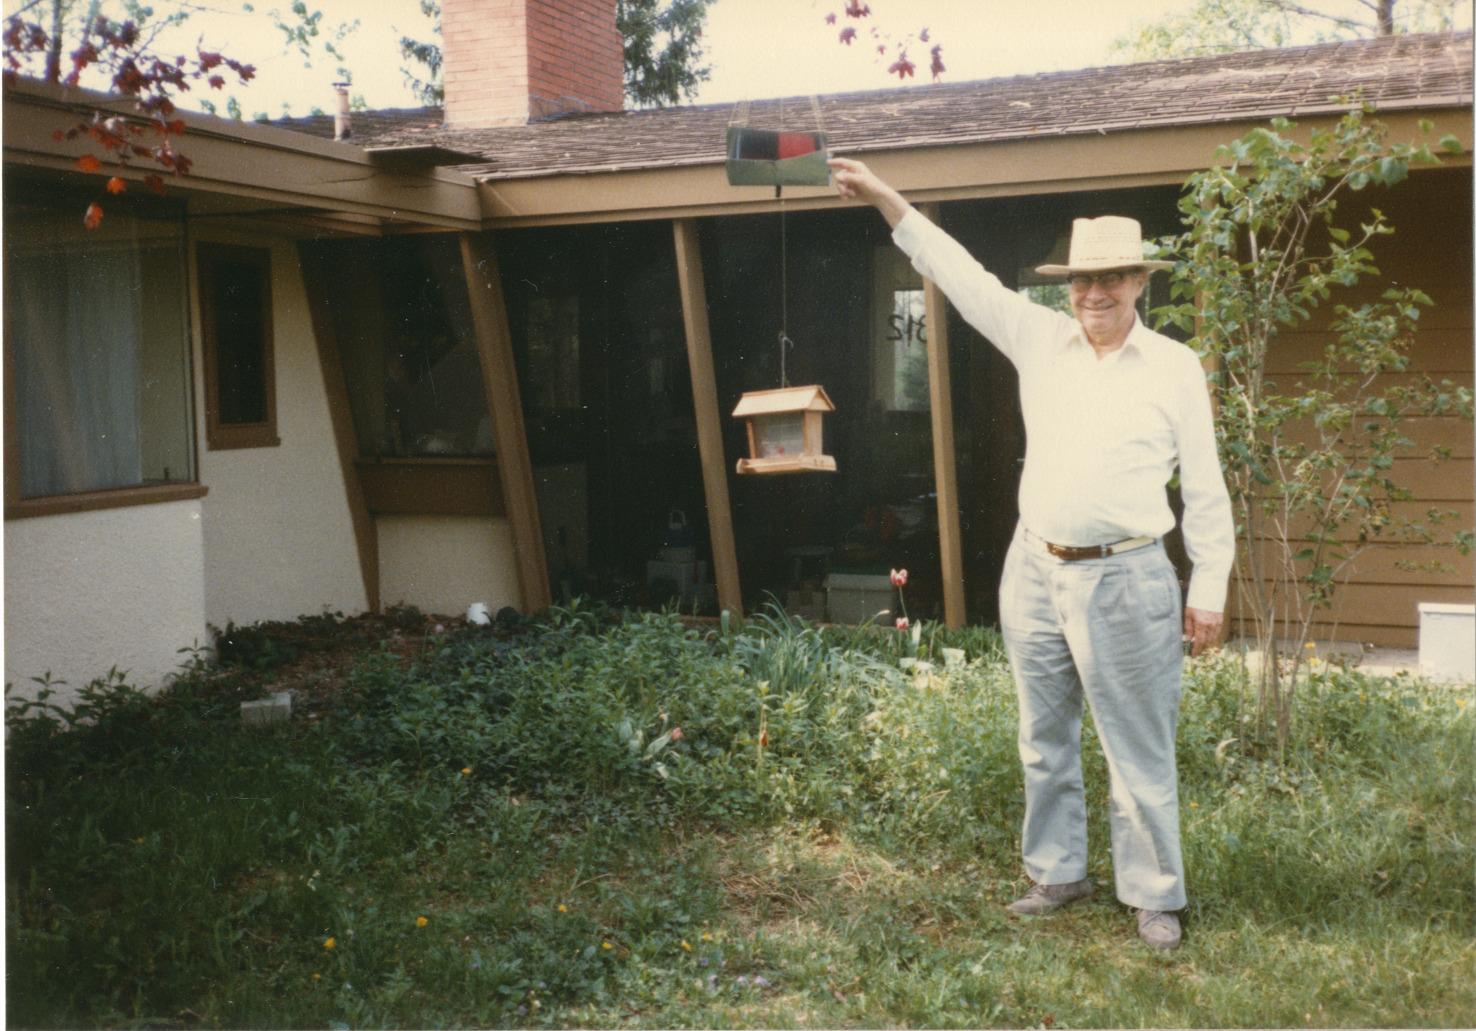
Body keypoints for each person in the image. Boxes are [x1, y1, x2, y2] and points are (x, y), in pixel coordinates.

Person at [828, 156, 1234, 951]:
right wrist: (884, 197)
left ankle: (1154, 894)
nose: (1095, 293)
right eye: (1083, 280)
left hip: (1128, 573)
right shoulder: (1040, 338)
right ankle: (1058, 871)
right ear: (1068, 287)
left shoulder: (1177, 367)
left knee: (1136, 742)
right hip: (1035, 569)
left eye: (1112, 278)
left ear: (1139, 283)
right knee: (1042, 733)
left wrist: (1209, 583)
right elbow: (960, 272)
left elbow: (1209, 489)